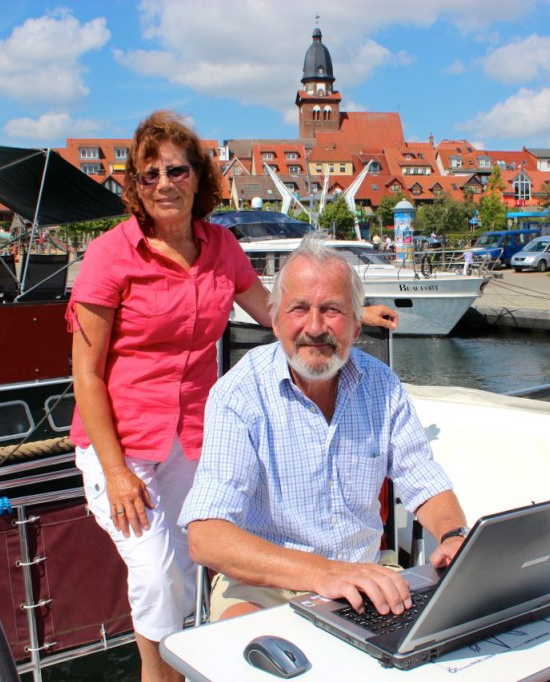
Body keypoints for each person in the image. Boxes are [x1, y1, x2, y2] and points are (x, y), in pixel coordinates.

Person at [68, 111, 397, 682]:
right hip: (122, 442)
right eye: (149, 175)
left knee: (199, 559)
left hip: (194, 435)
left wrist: (343, 315)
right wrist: (116, 470)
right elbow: (86, 375)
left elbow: (272, 310)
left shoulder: (219, 246)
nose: (164, 183)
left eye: (176, 170)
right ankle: (159, 675)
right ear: (136, 187)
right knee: (154, 574)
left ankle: (195, 664)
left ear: (198, 178)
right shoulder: (110, 257)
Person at [180, 237, 468, 622]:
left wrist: (452, 535)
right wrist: (324, 572)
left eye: (331, 310)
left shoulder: (381, 386)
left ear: (355, 323)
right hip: (266, 584)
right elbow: (207, 537)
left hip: (365, 575)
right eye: (299, 308)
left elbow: (422, 478)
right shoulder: (239, 394)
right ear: (276, 318)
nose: (314, 327)